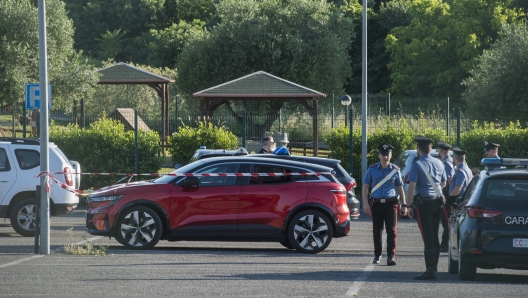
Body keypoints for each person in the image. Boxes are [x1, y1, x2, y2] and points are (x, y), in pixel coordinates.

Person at [407, 136, 447, 280]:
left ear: (419, 150)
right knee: (435, 235)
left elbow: (411, 187)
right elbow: (443, 183)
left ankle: (430, 270)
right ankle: (434, 268)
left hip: (424, 204)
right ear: (431, 149)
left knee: (427, 237)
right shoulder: (439, 162)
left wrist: (409, 205)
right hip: (437, 202)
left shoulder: (417, 165)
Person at [362, 143, 407, 266]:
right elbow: (365, 187)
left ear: (391, 156)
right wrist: (365, 203)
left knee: (391, 231)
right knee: (377, 230)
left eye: (387, 155)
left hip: (391, 204)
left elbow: (400, 189)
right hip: (376, 204)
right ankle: (377, 255)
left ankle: (391, 257)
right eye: (383, 155)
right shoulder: (372, 169)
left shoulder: (395, 170)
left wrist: (405, 205)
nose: (385, 157)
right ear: (379, 156)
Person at [437, 141, 454, 253]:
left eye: (438, 150)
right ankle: (445, 243)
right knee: (446, 221)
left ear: (441, 151)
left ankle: (445, 244)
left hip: (446, 195)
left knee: (447, 221)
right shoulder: (448, 161)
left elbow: (449, 180)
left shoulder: (446, 163)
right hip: (447, 194)